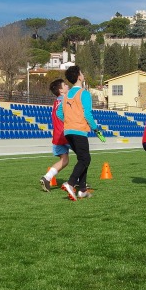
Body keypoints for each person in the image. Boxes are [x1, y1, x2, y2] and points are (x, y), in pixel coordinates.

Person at [56, 66, 98, 201]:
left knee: (83, 159)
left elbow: (59, 113)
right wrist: (95, 128)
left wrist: (70, 121)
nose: (83, 74)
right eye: (82, 72)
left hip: (68, 131)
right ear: (79, 77)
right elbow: (87, 114)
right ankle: (70, 183)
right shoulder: (84, 93)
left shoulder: (66, 95)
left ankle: (82, 189)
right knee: (86, 159)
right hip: (79, 130)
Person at [40, 78, 70, 192]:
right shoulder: (66, 101)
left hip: (57, 135)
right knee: (83, 156)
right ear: (61, 91)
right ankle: (79, 182)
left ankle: (47, 178)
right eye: (65, 85)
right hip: (66, 133)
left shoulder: (56, 102)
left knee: (65, 160)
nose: (67, 86)